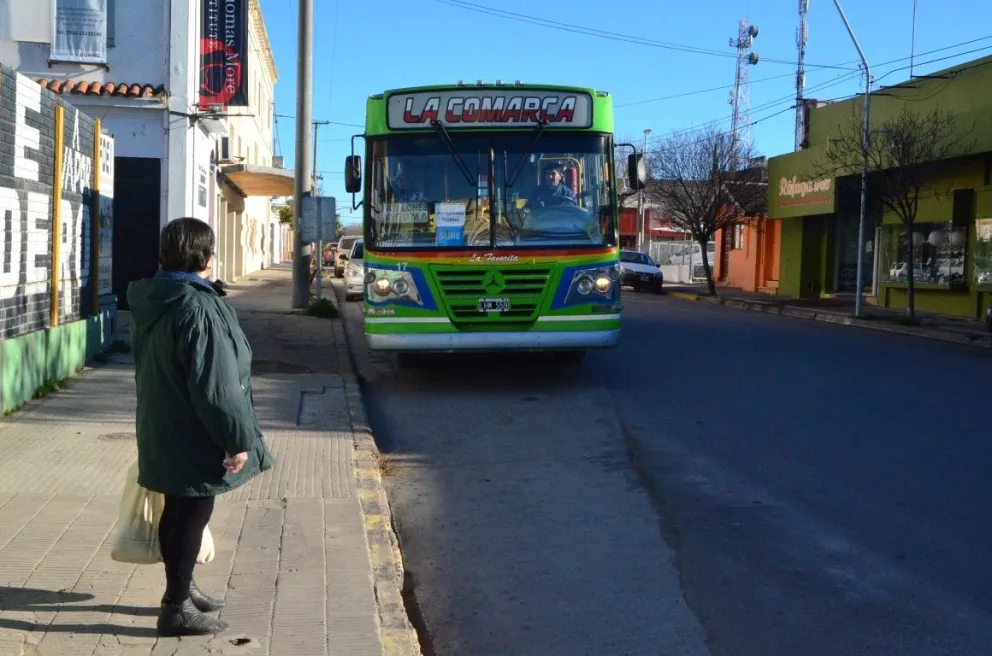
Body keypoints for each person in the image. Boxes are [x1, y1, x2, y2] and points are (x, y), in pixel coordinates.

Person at [127, 217, 274, 637]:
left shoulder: (156, 296)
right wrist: (237, 439)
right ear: (206, 258)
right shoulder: (196, 306)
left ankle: (183, 587)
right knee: (192, 511)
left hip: (163, 421)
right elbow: (217, 386)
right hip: (193, 429)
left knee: (179, 509)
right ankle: (175, 608)